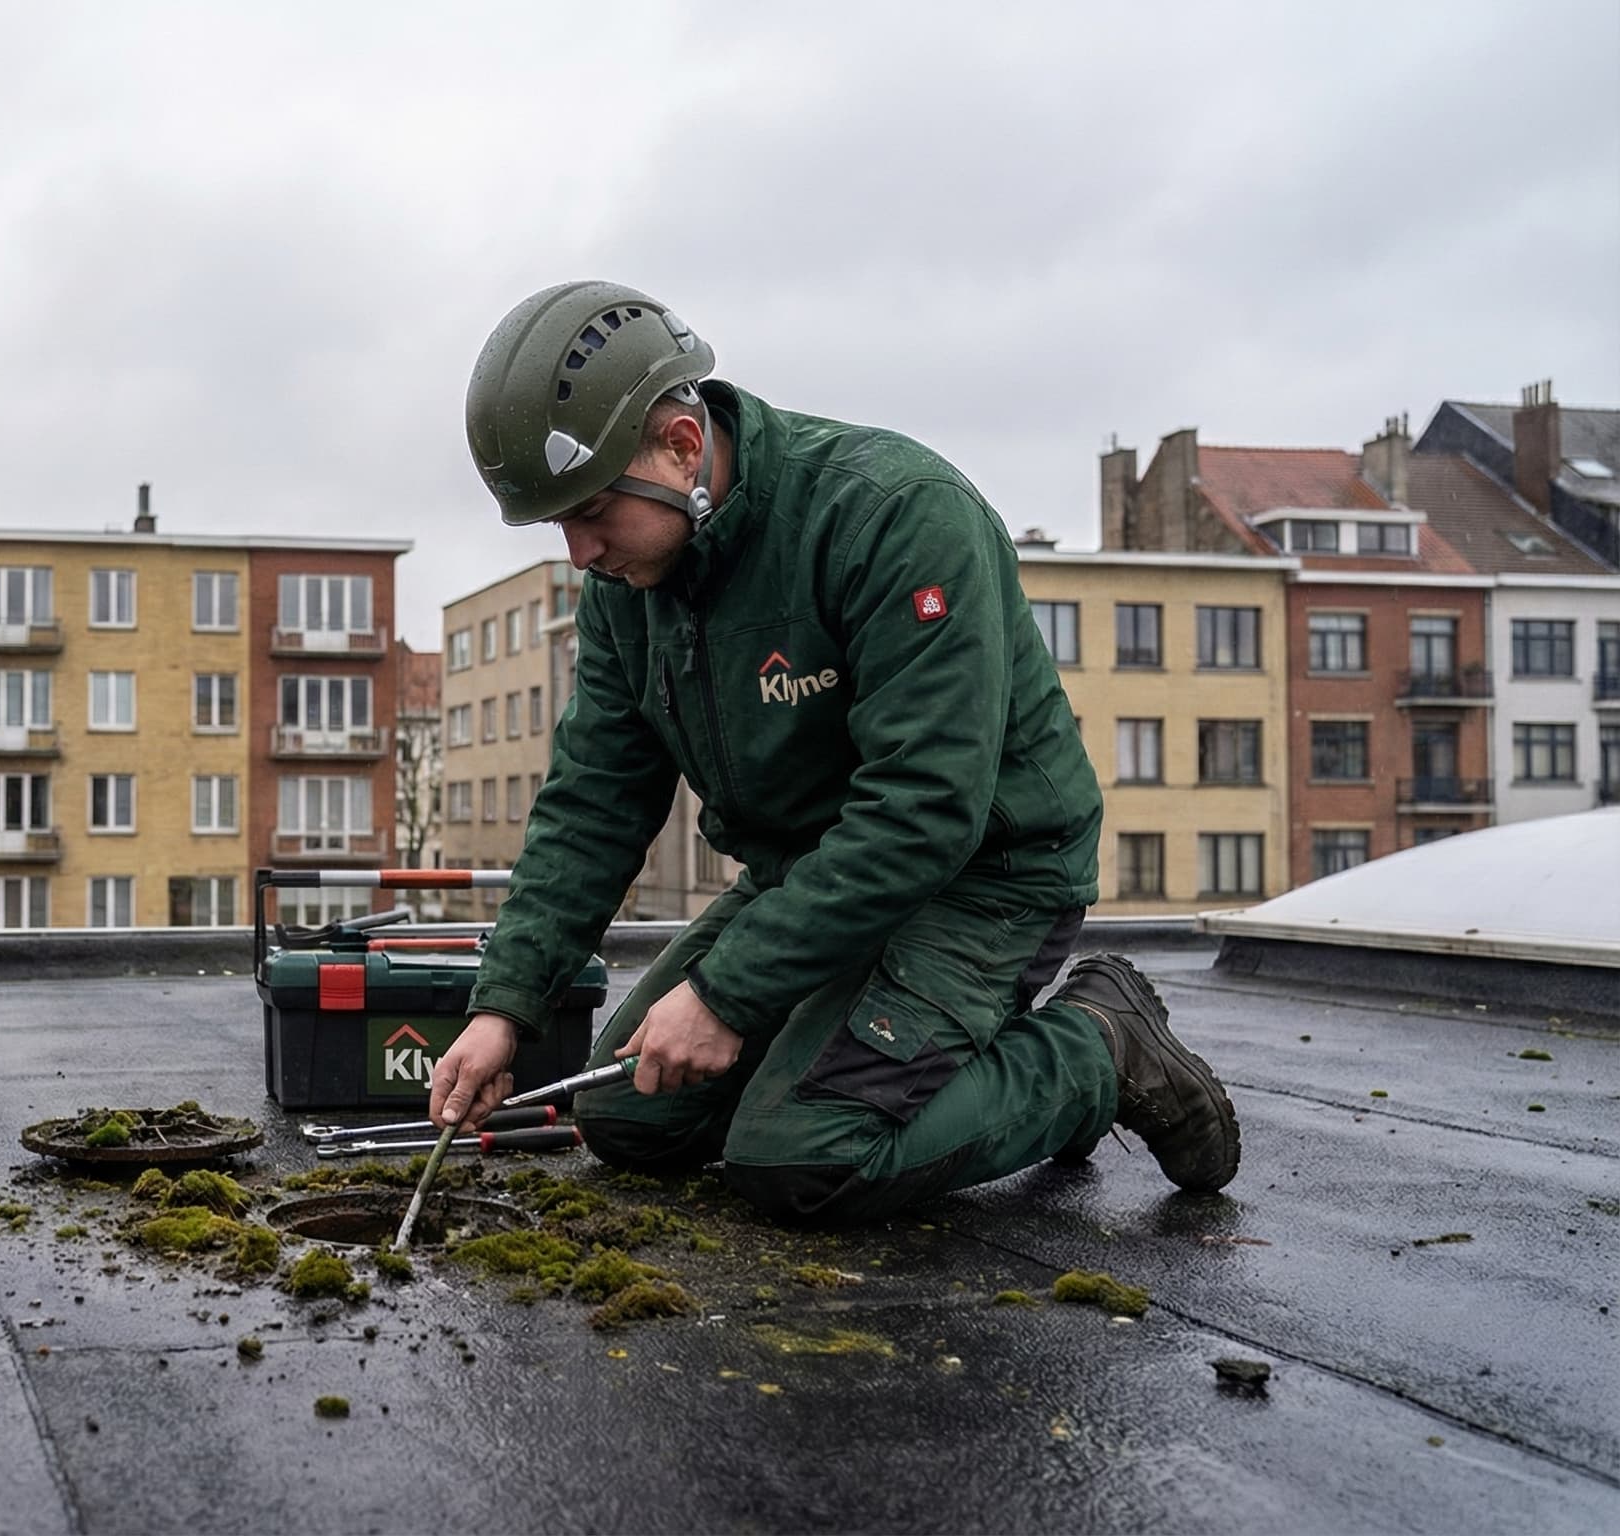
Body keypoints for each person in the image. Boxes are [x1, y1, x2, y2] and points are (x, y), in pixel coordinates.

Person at [425, 280, 1240, 1225]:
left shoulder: (892, 515)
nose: (578, 551)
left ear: (682, 448)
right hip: (805, 882)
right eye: (555, 522)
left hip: (982, 877)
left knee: (804, 1155)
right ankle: (894, 1050)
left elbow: (926, 807)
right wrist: (506, 1010)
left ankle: (1100, 1046)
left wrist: (726, 995)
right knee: (627, 1116)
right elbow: (594, 801)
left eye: (593, 510)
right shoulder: (630, 583)